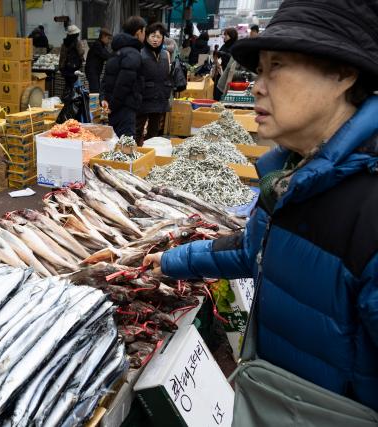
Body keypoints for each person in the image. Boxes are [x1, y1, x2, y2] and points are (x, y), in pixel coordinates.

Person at [143, 0, 378, 415]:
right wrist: (168, 259)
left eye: (278, 67)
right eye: (259, 69)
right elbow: (255, 250)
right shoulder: (291, 175)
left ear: (343, 73)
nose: (257, 86)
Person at [101, 16, 146, 138]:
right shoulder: (133, 53)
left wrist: (105, 99)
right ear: (138, 32)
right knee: (125, 145)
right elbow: (124, 84)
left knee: (116, 142)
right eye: (144, 31)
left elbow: (106, 79)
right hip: (124, 107)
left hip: (115, 107)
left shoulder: (116, 51)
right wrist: (113, 105)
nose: (145, 35)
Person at [136, 22, 171, 145]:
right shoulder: (140, 53)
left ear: (162, 39)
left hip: (160, 97)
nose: (155, 40)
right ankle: (135, 152)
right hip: (144, 97)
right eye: (152, 36)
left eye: (158, 37)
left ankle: (149, 153)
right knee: (138, 128)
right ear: (146, 37)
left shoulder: (165, 54)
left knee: (154, 131)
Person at [58, 25, 85, 98]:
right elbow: (81, 52)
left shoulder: (65, 42)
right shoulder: (76, 42)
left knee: (68, 84)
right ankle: (70, 100)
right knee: (73, 85)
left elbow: (62, 55)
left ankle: (65, 99)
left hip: (65, 68)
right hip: (73, 68)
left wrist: (61, 67)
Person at [85, 28, 113, 94]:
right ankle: (93, 104)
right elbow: (106, 56)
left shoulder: (101, 45)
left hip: (95, 72)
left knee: (96, 91)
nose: (109, 41)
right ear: (103, 36)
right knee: (95, 92)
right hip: (92, 72)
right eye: (108, 38)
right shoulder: (97, 45)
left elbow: (108, 55)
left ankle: (94, 104)